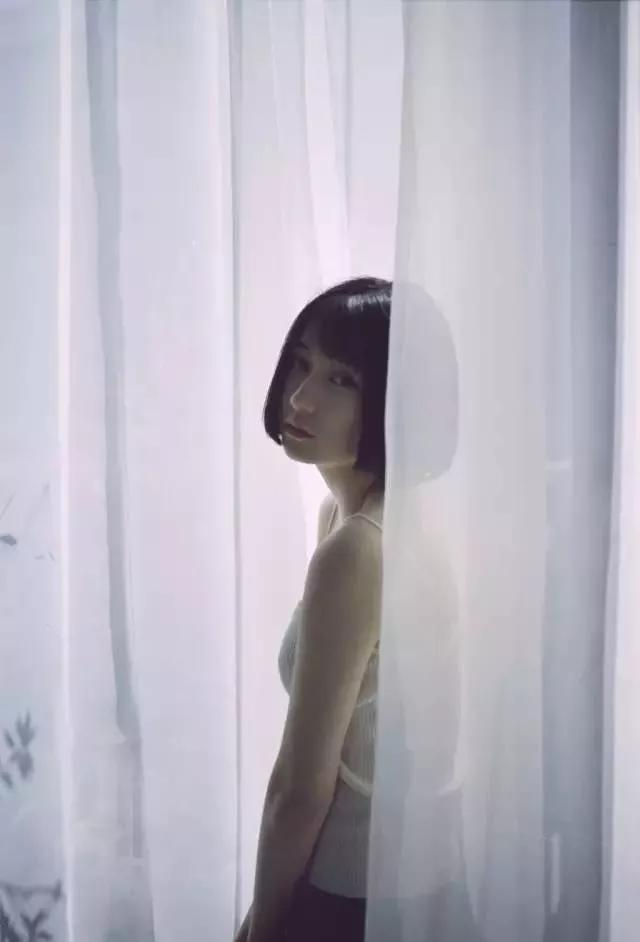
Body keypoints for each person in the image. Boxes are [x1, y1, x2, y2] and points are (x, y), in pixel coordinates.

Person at [234, 277, 391, 942]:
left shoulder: (358, 549)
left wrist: (259, 926)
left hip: (350, 896)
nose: (300, 397)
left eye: (342, 379)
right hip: (391, 880)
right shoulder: (352, 516)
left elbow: (301, 790)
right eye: (300, 363)